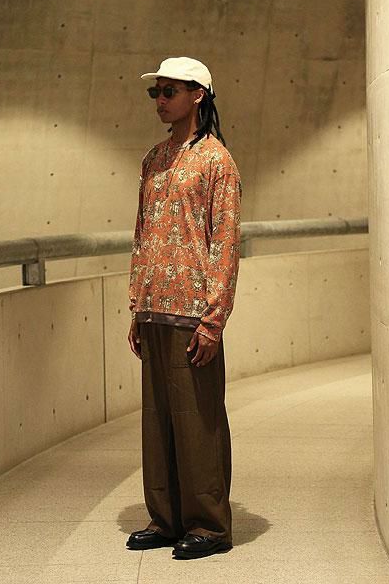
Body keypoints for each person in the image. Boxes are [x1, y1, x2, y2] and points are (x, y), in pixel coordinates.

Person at [125, 57, 242, 560]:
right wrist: (137, 305)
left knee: (199, 422)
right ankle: (166, 518)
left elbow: (225, 244)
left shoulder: (217, 161)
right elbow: (141, 234)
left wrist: (213, 320)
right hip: (154, 308)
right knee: (158, 423)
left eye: (169, 91)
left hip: (194, 313)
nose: (160, 100)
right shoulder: (153, 159)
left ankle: (209, 526)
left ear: (198, 94)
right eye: (156, 92)